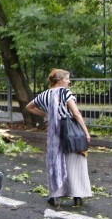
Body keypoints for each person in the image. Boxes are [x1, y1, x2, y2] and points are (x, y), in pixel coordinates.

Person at [25, 69, 92, 207]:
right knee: (75, 160)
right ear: (60, 80)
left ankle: (54, 195)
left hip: (54, 132)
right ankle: (77, 195)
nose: (69, 81)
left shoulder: (45, 94)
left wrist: (45, 114)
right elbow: (76, 113)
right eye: (67, 78)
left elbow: (29, 106)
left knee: (56, 161)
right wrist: (86, 132)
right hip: (69, 129)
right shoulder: (65, 92)